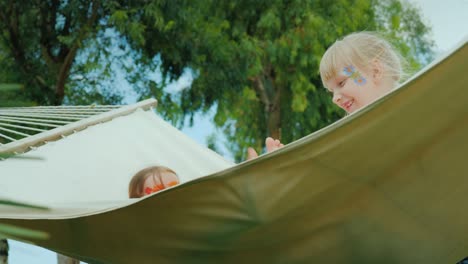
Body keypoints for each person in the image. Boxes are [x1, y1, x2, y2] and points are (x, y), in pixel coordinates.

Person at [248, 31, 406, 159]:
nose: (335, 98)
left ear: (376, 71)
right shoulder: (350, 141)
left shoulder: (414, 109)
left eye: (341, 83)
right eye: (331, 91)